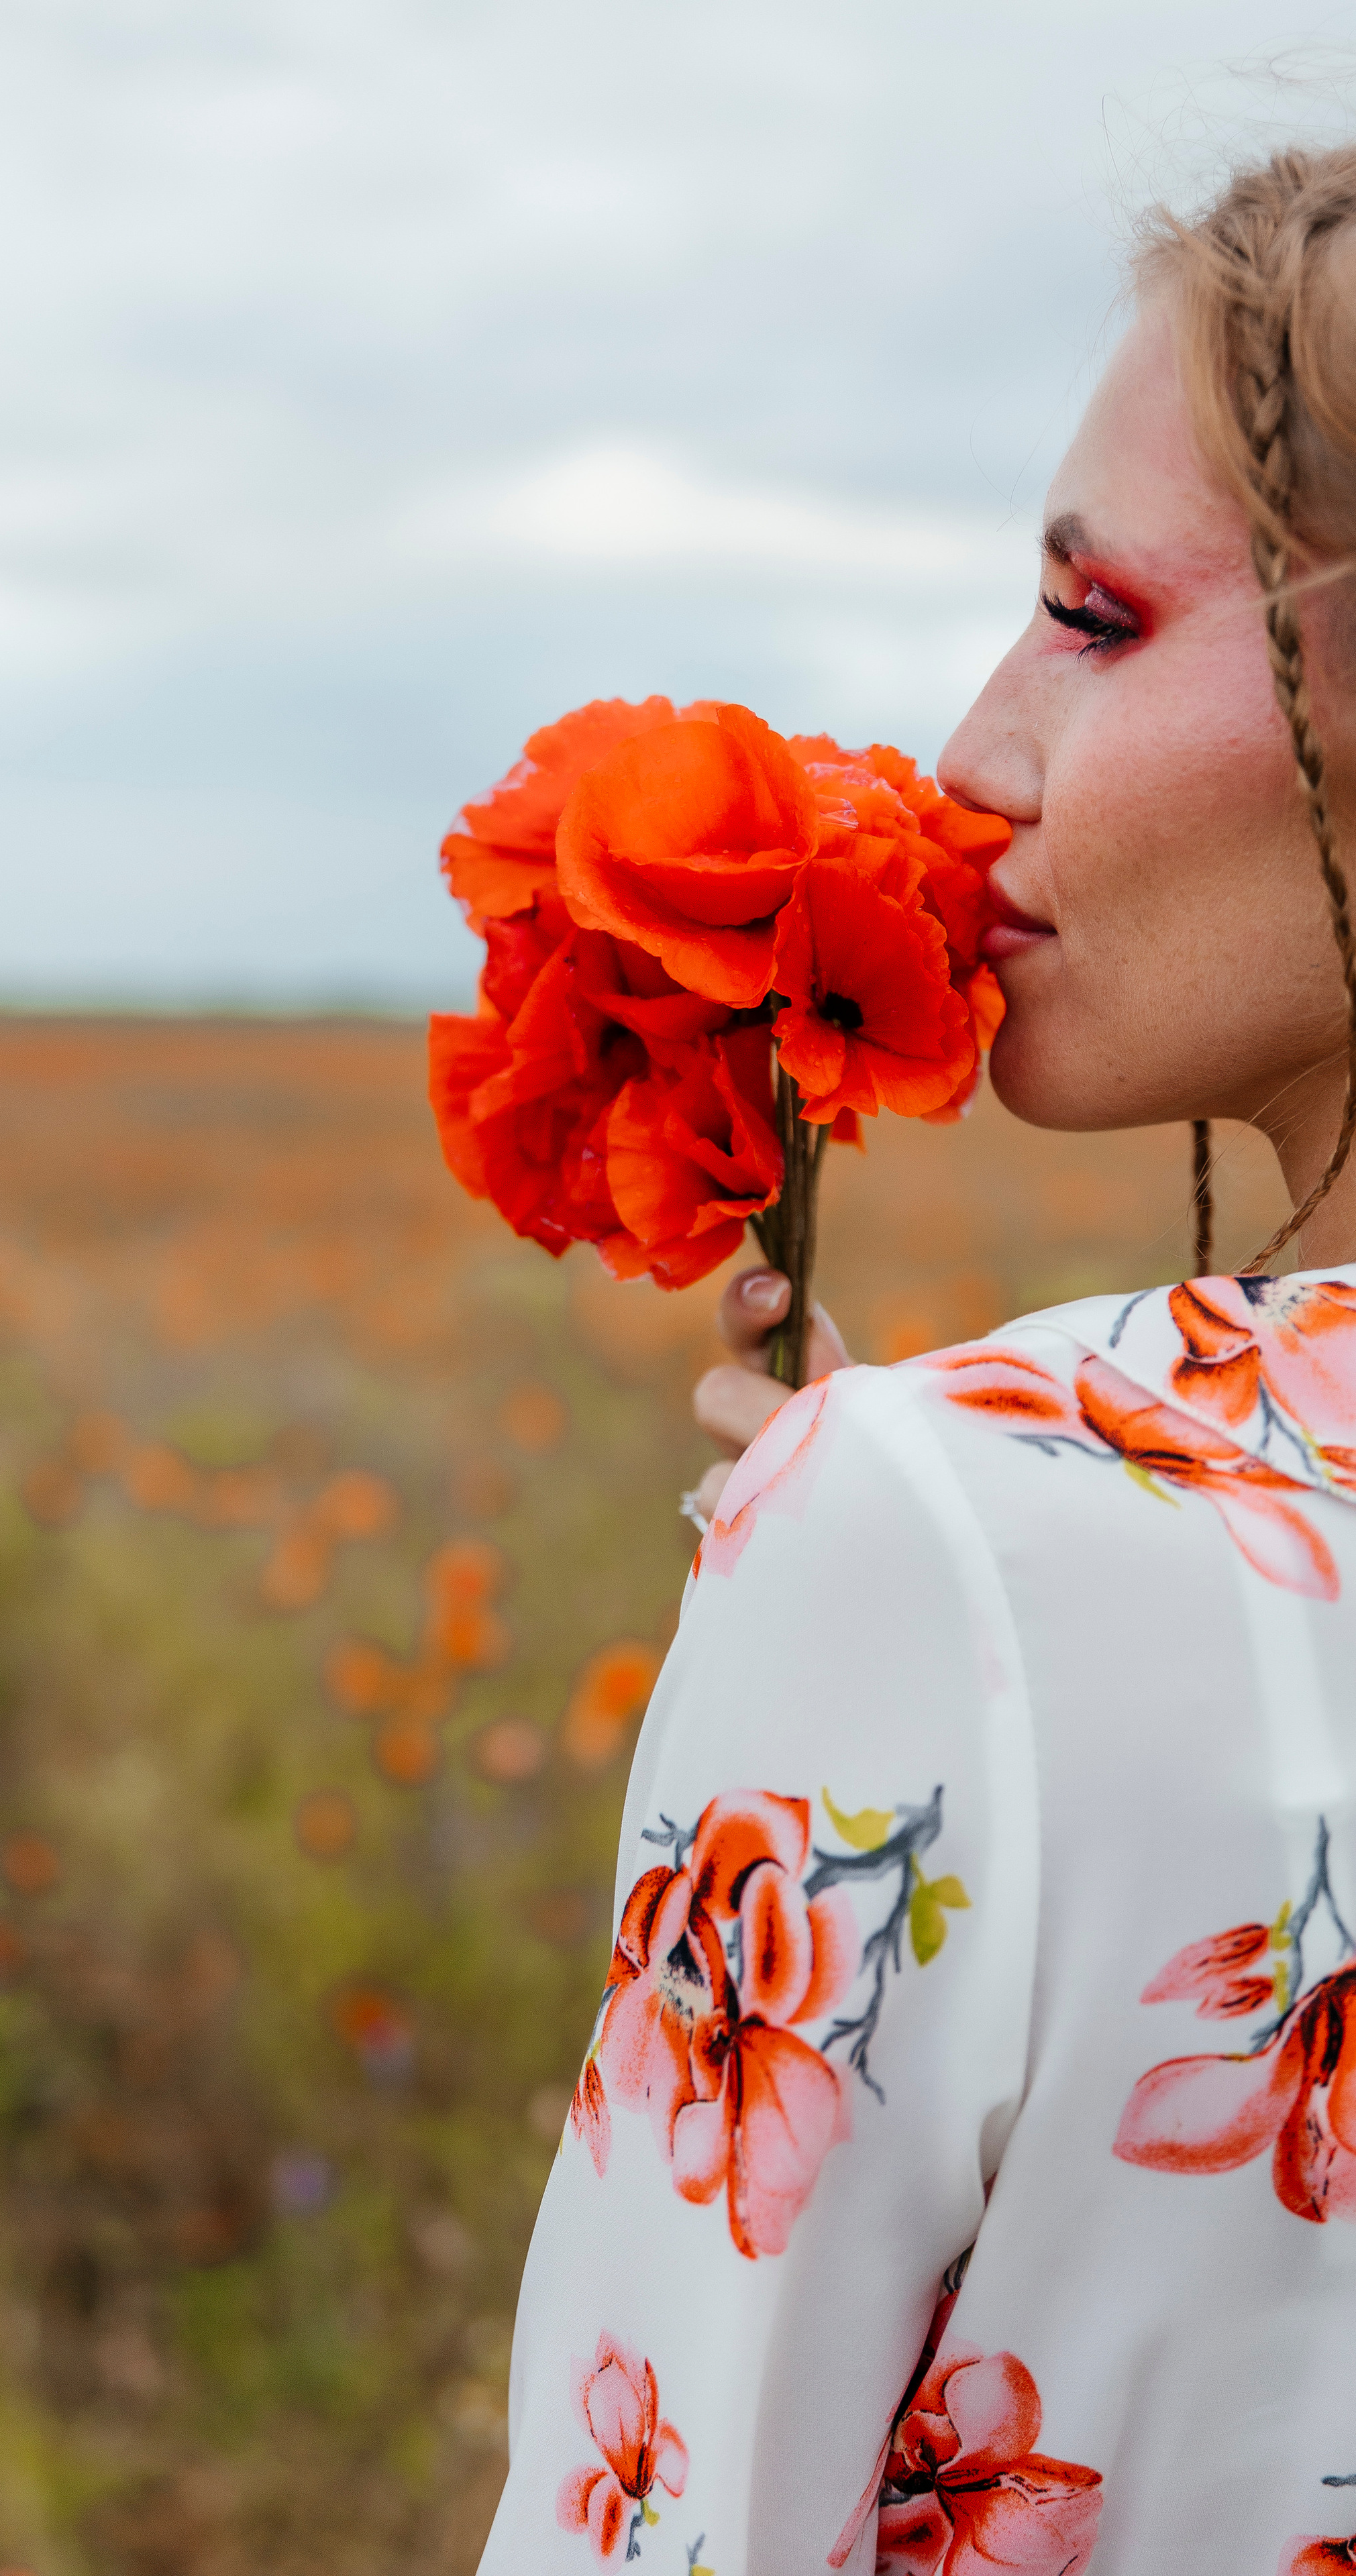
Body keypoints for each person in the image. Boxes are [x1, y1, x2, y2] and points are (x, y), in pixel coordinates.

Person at [477, 146, 1356, 2576]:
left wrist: (922, 1582)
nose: (972, 750)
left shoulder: (945, 1532)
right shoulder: (965, 1524)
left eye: (1091, 613)